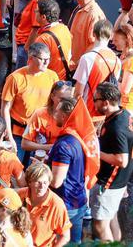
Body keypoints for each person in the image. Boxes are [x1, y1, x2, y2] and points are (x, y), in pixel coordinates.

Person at [91, 83, 133, 243]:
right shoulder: (124, 114)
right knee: (111, 217)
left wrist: (96, 152)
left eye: (95, 99)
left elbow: (121, 160)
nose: (93, 102)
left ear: (106, 102)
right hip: (121, 179)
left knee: (100, 225)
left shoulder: (116, 128)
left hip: (109, 181)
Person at [1, 41, 58, 159]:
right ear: (31, 58)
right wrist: (9, 137)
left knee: (34, 171)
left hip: (40, 134)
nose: (47, 62)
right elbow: (5, 108)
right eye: (43, 59)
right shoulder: (15, 78)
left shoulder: (52, 76)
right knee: (15, 170)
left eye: (48, 58)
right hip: (18, 134)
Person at [46, 98, 89, 243]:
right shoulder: (79, 136)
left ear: (64, 116)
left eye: (57, 111)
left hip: (65, 204)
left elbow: (56, 181)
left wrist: (40, 170)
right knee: (75, 242)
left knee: (58, 241)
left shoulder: (64, 145)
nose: (54, 114)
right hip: (79, 199)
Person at [22, 162, 71, 247]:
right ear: (29, 182)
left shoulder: (56, 204)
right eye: (38, 182)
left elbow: (65, 236)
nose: (42, 186)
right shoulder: (20, 195)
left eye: (45, 182)